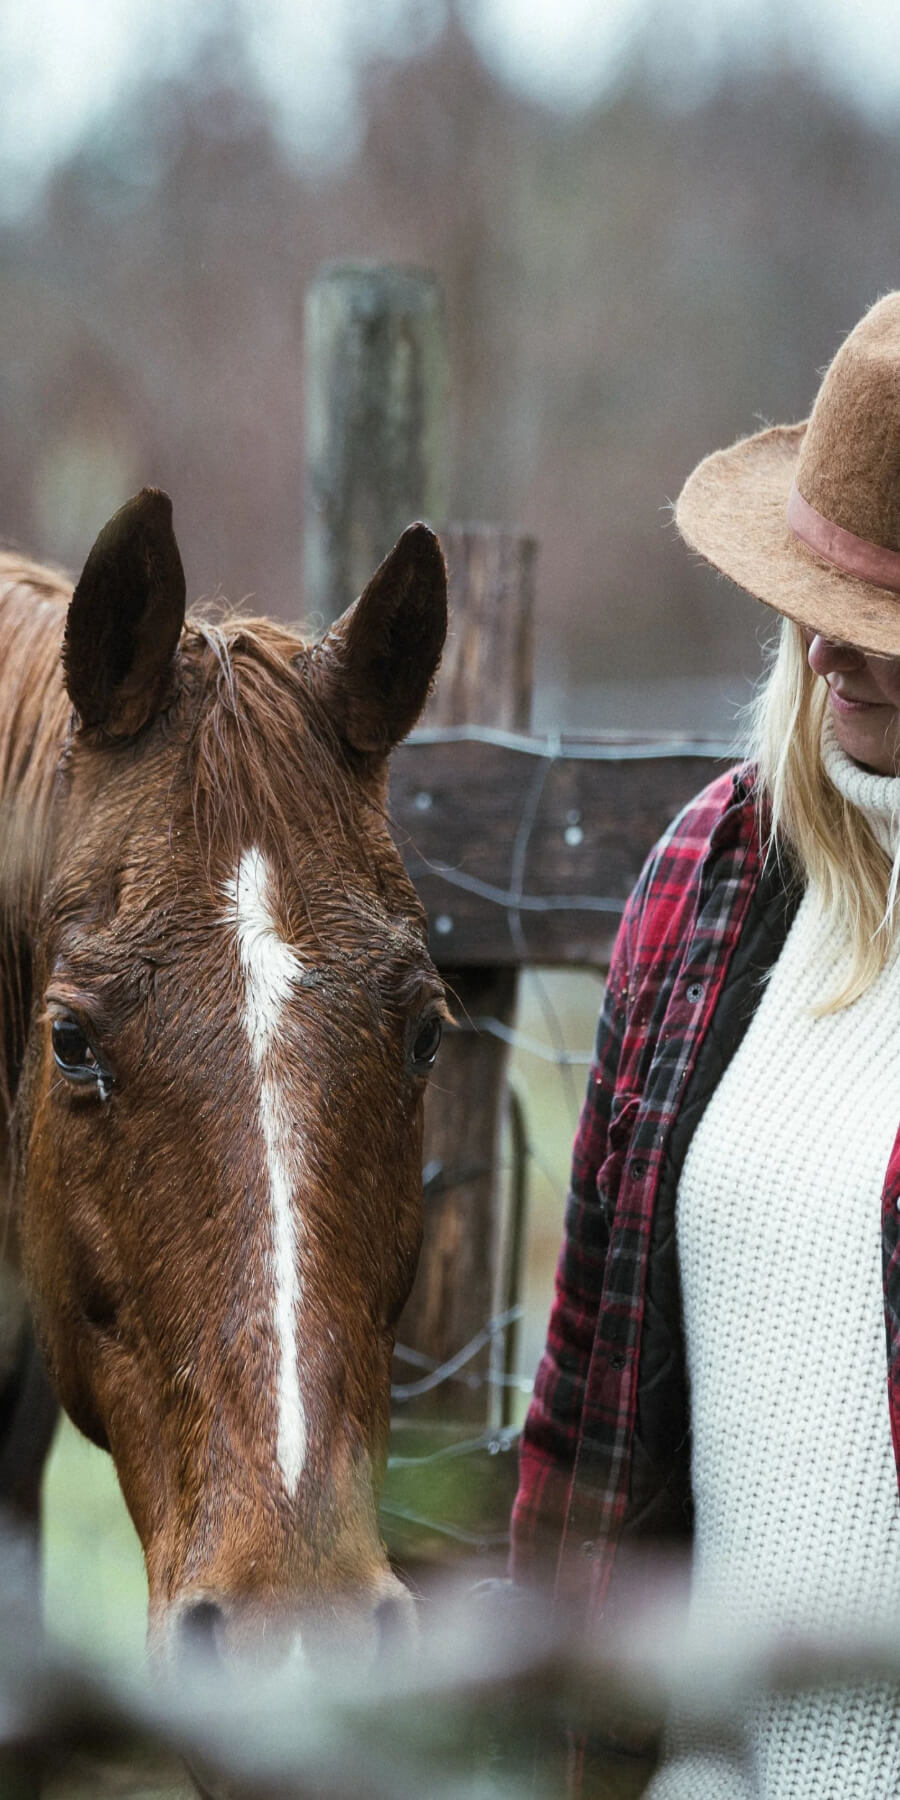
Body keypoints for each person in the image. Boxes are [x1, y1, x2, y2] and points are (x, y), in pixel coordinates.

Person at [510, 290, 900, 1799]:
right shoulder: (707, 882)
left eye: (880, 628)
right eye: (814, 602)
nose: (825, 659)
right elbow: (587, 1381)